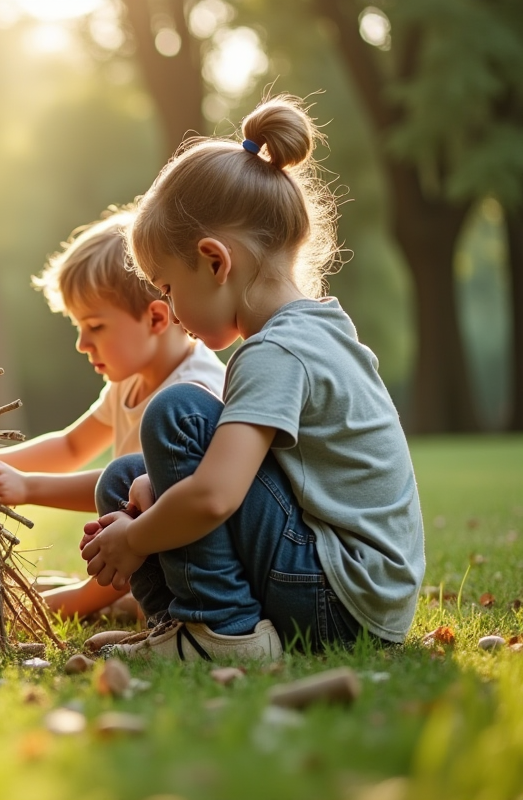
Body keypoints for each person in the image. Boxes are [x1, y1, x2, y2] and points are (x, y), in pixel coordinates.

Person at [80, 95, 425, 662]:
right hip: (346, 586)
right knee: (123, 478)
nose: (174, 314)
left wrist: (136, 537)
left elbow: (216, 495)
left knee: (178, 413)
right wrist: (156, 488)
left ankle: (223, 631)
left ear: (215, 262)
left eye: (167, 288)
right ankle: (179, 628)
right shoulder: (316, 328)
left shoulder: (276, 351)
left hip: (342, 598)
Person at [0, 207, 225, 619]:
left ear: (155, 317)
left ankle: (96, 601)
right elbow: (72, 444)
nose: (81, 343)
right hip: (141, 549)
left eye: (94, 326)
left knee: (124, 483)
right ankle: (111, 600)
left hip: (193, 560)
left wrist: (28, 488)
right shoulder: (128, 381)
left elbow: (139, 489)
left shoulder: (192, 394)